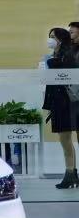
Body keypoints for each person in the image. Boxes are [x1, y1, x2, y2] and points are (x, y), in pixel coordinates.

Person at [44, 26, 79, 189]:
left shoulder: (67, 55)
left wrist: (50, 61)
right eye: (50, 36)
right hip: (59, 102)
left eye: (53, 37)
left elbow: (64, 73)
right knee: (64, 140)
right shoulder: (54, 56)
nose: (50, 39)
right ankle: (71, 174)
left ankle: (70, 174)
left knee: (65, 139)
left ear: (61, 39)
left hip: (69, 102)